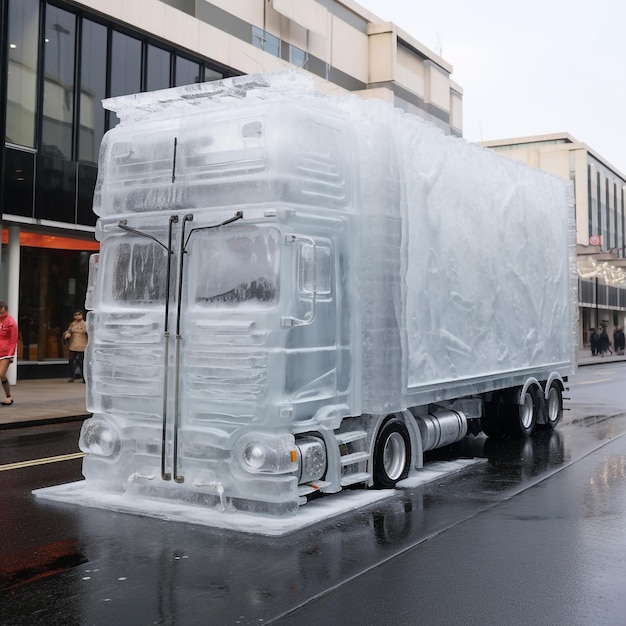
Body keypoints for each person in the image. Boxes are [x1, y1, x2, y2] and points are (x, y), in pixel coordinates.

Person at [0, 301, 18, 406]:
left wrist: (11, 355)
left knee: (1, 373)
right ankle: (8, 396)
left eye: (2, 309)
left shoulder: (11, 322)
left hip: (6, 352)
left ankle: (8, 396)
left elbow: (13, 339)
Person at [63, 311, 88, 382]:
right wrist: (67, 334)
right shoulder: (72, 324)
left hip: (82, 345)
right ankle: (72, 376)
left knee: (82, 362)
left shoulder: (85, 324)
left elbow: (88, 332)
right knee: (71, 360)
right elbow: (68, 331)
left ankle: (84, 377)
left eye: (79, 314)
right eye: (76, 315)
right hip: (73, 345)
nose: (77, 316)